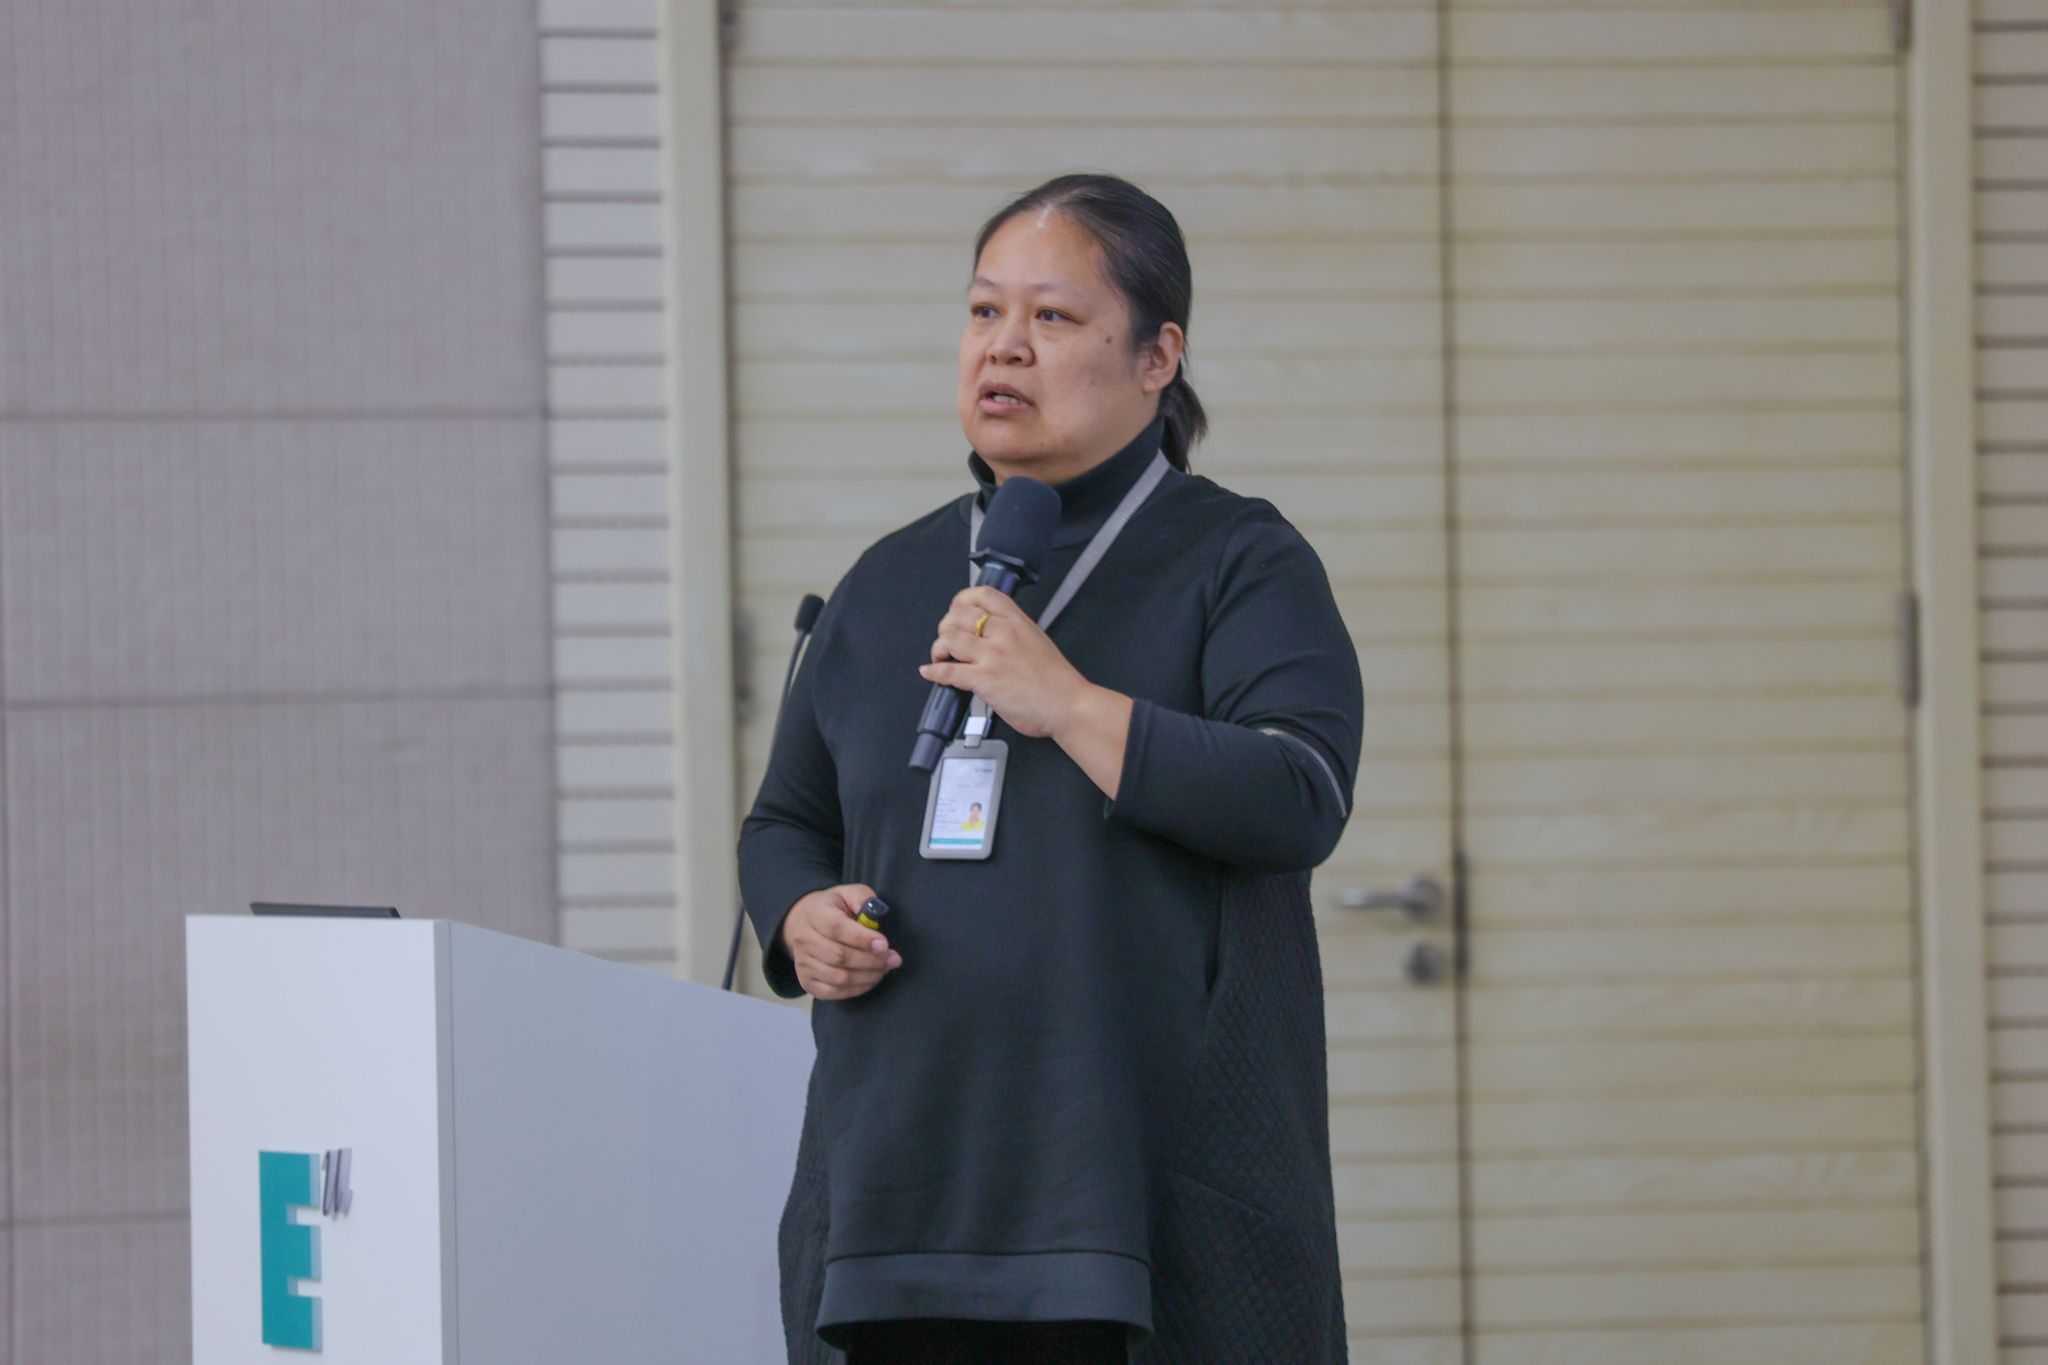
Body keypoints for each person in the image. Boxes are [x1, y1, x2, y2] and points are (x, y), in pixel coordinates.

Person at [737, 172, 1362, 1364]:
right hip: (896, 1190)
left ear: (1156, 357)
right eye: (983, 312)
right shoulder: (889, 577)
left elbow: (1297, 794)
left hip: (1131, 1194)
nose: (1003, 347)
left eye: (1052, 317)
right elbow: (785, 823)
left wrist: (1066, 704)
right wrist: (801, 915)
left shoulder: (1235, 557)